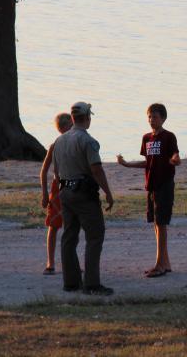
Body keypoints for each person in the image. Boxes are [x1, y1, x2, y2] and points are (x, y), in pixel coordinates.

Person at [52, 101, 115, 296]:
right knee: (95, 236)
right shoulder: (88, 141)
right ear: (87, 118)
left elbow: (56, 173)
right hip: (84, 194)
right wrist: (108, 192)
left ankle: (70, 282)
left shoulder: (59, 141)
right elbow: (96, 169)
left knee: (69, 236)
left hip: (65, 192)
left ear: (72, 118)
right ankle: (92, 283)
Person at [117, 103, 181, 278]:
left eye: (155, 117)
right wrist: (127, 164)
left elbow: (174, 156)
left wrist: (175, 159)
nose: (152, 120)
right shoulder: (147, 138)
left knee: (161, 223)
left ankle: (159, 265)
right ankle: (165, 263)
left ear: (163, 118)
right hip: (151, 185)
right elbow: (148, 162)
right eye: (150, 117)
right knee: (156, 223)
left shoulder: (168, 136)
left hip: (165, 184)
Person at [39, 112, 73, 275]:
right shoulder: (55, 145)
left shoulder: (76, 143)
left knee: (72, 226)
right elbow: (44, 170)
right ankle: (50, 262)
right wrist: (45, 194)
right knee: (53, 226)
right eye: (69, 125)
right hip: (58, 187)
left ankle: (70, 261)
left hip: (73, 185)